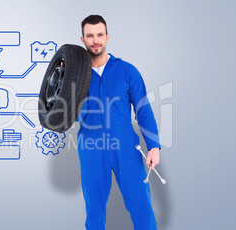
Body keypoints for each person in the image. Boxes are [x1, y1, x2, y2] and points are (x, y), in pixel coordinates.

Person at [76, 14, 161, 230]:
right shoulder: (76, 77)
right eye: (90, 35)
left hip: (126, 148)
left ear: (107, 37)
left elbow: (143, 110)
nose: (95, 40)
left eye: (99, 35)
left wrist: (153, 146)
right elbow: (67, 116)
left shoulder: (127, 71)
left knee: (141, 206)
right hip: (92, 148)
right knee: (94, 211)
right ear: (82, 39)